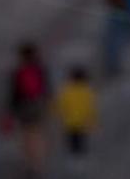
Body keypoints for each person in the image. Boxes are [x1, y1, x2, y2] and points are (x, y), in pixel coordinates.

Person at [6, 42, 51, 174]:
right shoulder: (40, 69)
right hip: (37, 105)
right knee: (37, 134)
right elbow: (46, 89)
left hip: (23, 107)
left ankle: (29, 163)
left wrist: (10, 111)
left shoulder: (18, 72)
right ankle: (38, 163)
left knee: (26, 135)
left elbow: (14, 94)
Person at [56, 65, 96, 158]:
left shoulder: (67, 91)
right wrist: (92, 121)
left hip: (70, 122)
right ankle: (81, 158)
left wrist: (59, 115)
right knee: (82, 140)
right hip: (83, 122)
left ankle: (74, 158)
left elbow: (61, 105)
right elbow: (90, 108)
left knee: (72, 142)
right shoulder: (87, 92)